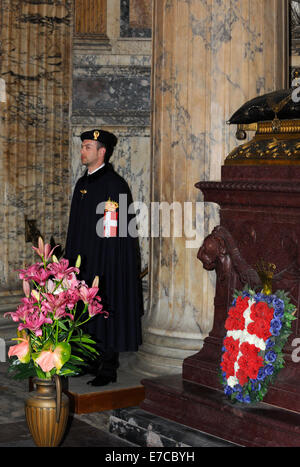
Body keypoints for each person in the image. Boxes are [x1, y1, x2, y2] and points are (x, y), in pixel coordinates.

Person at [65, 129, 143, 386]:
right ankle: (86, 361)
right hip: (82, 263)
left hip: (105, 263)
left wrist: (105, 264)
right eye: (83, 146)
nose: (83, 151)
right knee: (82, 314)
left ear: (102, 152)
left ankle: (107, 369)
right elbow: (75, 227)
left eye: (88, 147)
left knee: (106, 310)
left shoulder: (113, 185)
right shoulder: (82, 184)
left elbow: (114, 232)